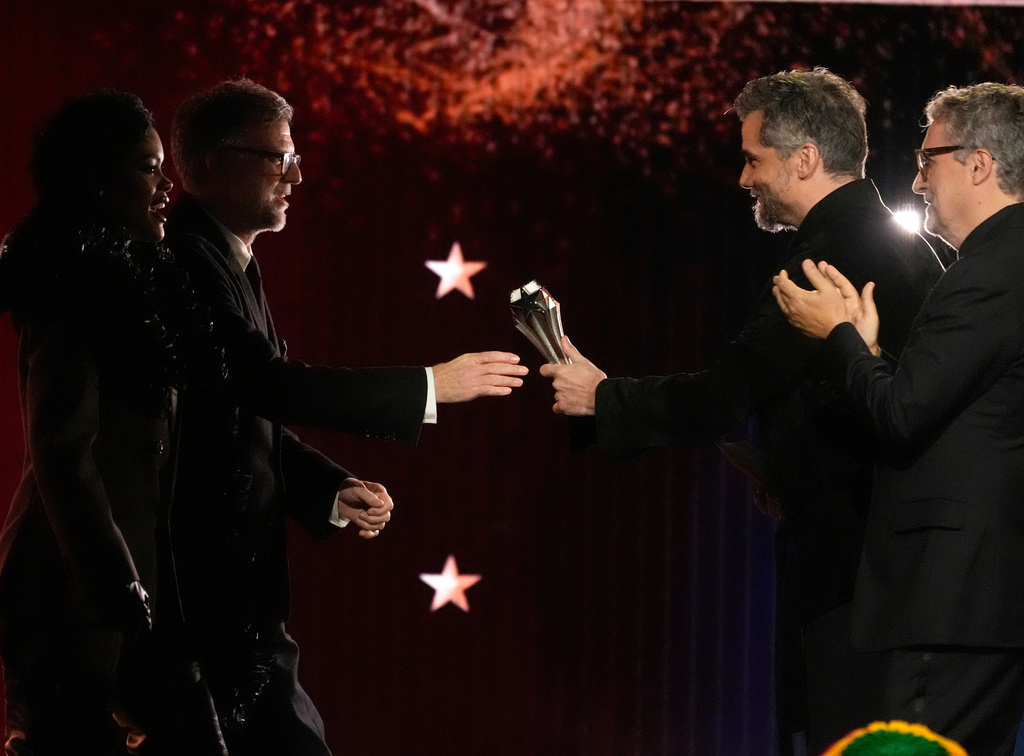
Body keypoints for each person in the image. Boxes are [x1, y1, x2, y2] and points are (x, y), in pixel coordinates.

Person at [538, 68, 943, 754]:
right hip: (881, 568)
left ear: (805, 157)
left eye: (754, 158)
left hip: (861, 577)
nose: (742, 177)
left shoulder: (834, 254)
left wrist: (602, 397)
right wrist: (786, 466)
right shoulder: (887, 241)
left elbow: (729, 390)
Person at [161, 78, 529, 755]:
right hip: (208, 598)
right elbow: (264, 384)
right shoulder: (187, 259)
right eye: (278, 158)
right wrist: (429, 386)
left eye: (293, 156)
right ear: (215, 164)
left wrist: (325, 488)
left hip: (231, 598)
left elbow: (241, 413)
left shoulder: (226, 254)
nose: (295, 173)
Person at [773, 82, 1024, 755]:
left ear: (979, 164)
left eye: (927, 159)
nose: (915, 181)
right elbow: (950, 400)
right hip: (981, 596)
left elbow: (899, 416)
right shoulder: (1000, 263)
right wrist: (872, 346)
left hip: (953, 599)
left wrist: (840, 337)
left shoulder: (991, 271)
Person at [0, 91, 247, 755]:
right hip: (71, 593)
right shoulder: (75, 285)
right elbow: (62, 454)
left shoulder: (143, 283)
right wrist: (120, 591)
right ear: (97, 181)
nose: (166, 186)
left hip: (130, 592)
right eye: (147, 169)